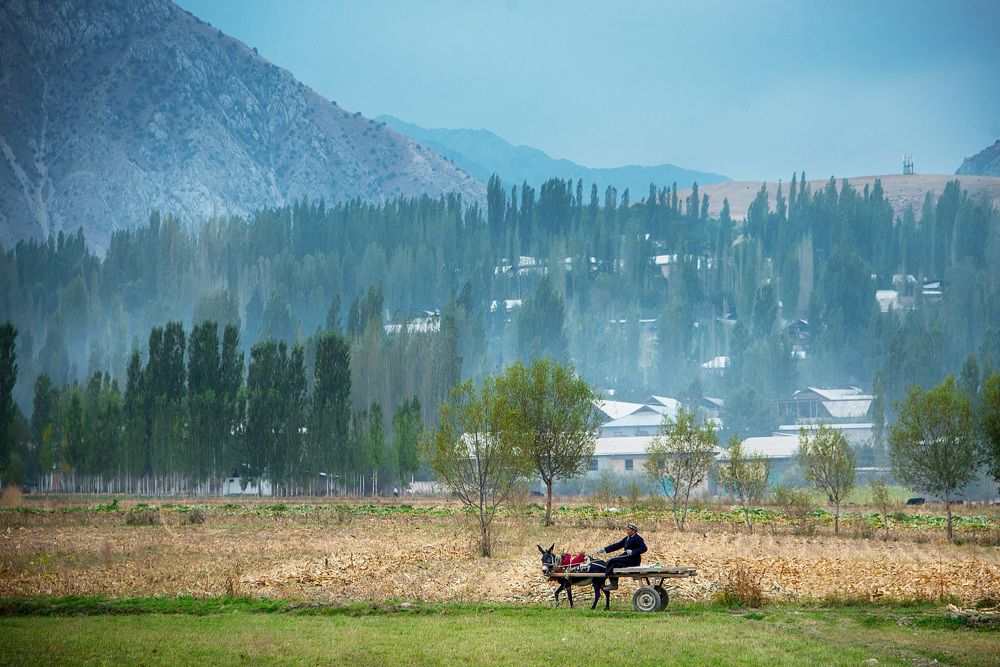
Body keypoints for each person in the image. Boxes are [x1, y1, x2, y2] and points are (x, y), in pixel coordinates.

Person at [596, 523, 647, 591]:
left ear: (633, 531)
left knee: (612, 561)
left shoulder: (638, 538)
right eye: (627, 530)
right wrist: (604, 549)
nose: (627, 531)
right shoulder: (627, 538)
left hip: (633, 560)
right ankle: (613, 583)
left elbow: (644, 548)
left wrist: (633, 552)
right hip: (626, 558)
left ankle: (606, 578)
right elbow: (618, 545)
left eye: (628, 530)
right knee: (610, 562)